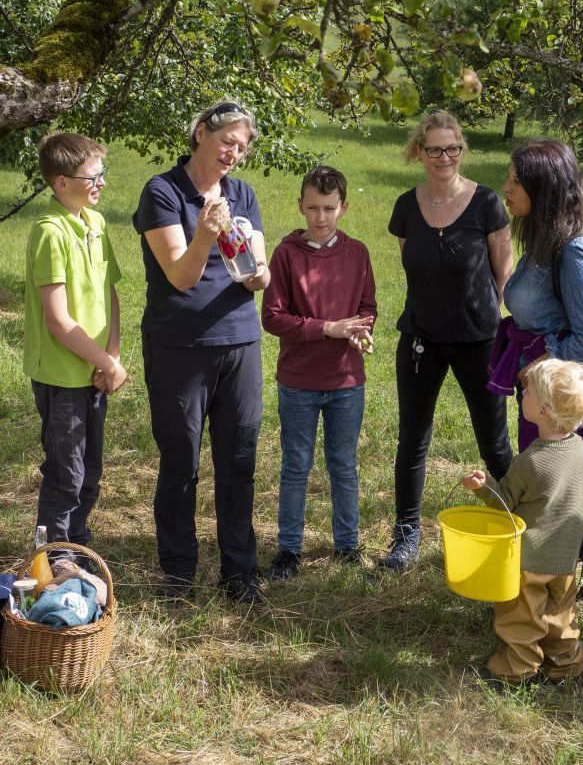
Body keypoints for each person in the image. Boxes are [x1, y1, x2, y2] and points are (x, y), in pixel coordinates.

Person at [133, 101, 271, 603]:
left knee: (239, 459)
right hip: (180, 346)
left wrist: (261, 274)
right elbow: (180, 275)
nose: (234, 152)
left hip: (239, 341)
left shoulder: (243, 193)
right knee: (180, 462)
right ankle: (178, 574)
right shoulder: (162, 191)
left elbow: (259, 266)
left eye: (242, 145)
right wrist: (204, 235)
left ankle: (240, 574)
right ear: (199, 134)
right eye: (226, 141)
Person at [494, 138, 583, 600]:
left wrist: (542, 361)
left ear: (545, 188)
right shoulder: (543, 235)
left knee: (553, 479)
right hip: (540, 378)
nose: (506, 188)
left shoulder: (575, 249)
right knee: (554, 478)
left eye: (517, 181)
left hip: (555, 387)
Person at [379, 110, 514, 571]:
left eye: (452, 148)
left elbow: (504, 275)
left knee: (494, 443)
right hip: (420, 340)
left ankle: (516, 523)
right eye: (434, 148)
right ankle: (406, 537)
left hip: (480, 342)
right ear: (419, 151)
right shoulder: (404, 207)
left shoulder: (487, 204)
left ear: (462, 150)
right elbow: (416, 270)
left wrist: (494, 328)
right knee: (412, 440)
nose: (444, 157)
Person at [261, 166, 376, 579]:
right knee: (296, 466)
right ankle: (288, 550)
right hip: (298, 382)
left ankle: (347, 545)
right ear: (300, 206)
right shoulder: (286, 254)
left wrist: (361, 332)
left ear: (343, 207)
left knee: (343, 465)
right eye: (313, 208)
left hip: (346, 381)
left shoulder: (357, 252)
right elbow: (272, 318)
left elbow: (368, 308)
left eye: (329, 208)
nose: (321, 217)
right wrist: (328, 328)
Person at [462, 359, 583, 685]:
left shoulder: (530, 461)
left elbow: (505, 505)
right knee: (559, 617)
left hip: (528, 559)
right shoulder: (578, 448)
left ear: (545, 411)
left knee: (522, 618)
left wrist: (482, 488)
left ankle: (517, 671)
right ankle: (567, 665)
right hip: (564, 556)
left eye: (529, 391)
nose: (522, 394)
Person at [23, 133, 127, 548]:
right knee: (66, 474)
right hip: (64, 377)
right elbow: (59, 322)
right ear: (60, 183)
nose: (100, 182)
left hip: (97, 370)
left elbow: (110, 293)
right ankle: (52, 554)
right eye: (91, 176)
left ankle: (76, 542)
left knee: (91, 472)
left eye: (103, 173)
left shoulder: (96, 223)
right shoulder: (49, 232)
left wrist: (112, 356)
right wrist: (106, 362)